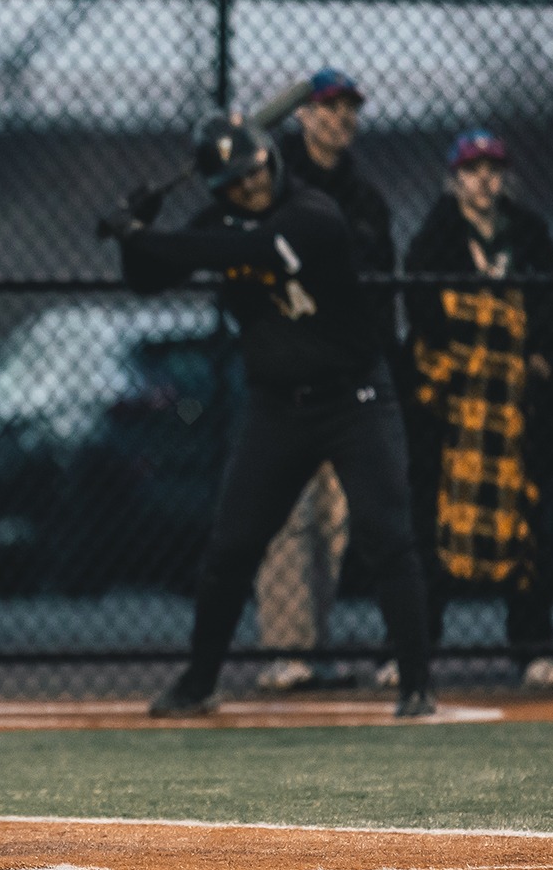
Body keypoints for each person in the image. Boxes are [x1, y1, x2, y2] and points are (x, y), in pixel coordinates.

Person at [105, 110, 435, 719]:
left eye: (258, 171)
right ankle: (199, 681)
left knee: (386, 534)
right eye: (239, 180)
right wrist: (139, 225)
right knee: (232, 546)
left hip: (355, 397)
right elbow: (149, 279)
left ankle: (416, 683)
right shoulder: (217, 220)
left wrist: (139, 235)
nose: (254, 185)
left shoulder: (312, 214)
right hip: (279, 406)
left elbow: (249, 250)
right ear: (219, 187)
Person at [400, 129, 553, 689]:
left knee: (528, 527)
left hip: (515, 409)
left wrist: (521, 345)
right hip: (453, 412)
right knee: (432, 522)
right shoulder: (435, 236)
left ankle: (532, 646)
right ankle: (416, 648)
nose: (484, 179)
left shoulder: (529, 234)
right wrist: (482, 337)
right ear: (453, 178)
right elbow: (422, 308)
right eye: (472, 169)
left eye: (493, 169)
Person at [255, 68, 397, 692]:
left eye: (349, 109)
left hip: (348, 371)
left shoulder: (364, 196)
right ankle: (289, 651)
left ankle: (313, 645)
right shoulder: (276, 179)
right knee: (288, 513)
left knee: (337, 524)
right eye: (329, 107)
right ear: (304, 116)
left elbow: (379, 289)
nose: (341, 118)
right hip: (287, 373)